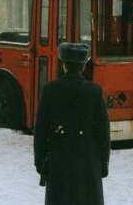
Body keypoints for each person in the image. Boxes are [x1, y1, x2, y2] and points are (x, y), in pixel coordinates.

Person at [34, 42, 110, 205]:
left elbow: (40, 131)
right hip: (88, 162)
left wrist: (40, 163)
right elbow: (103, 133)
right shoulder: (95, 91)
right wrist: (103, 164)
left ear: (63, 64)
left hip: (59, 161)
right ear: (83, 66)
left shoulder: (50, 90)